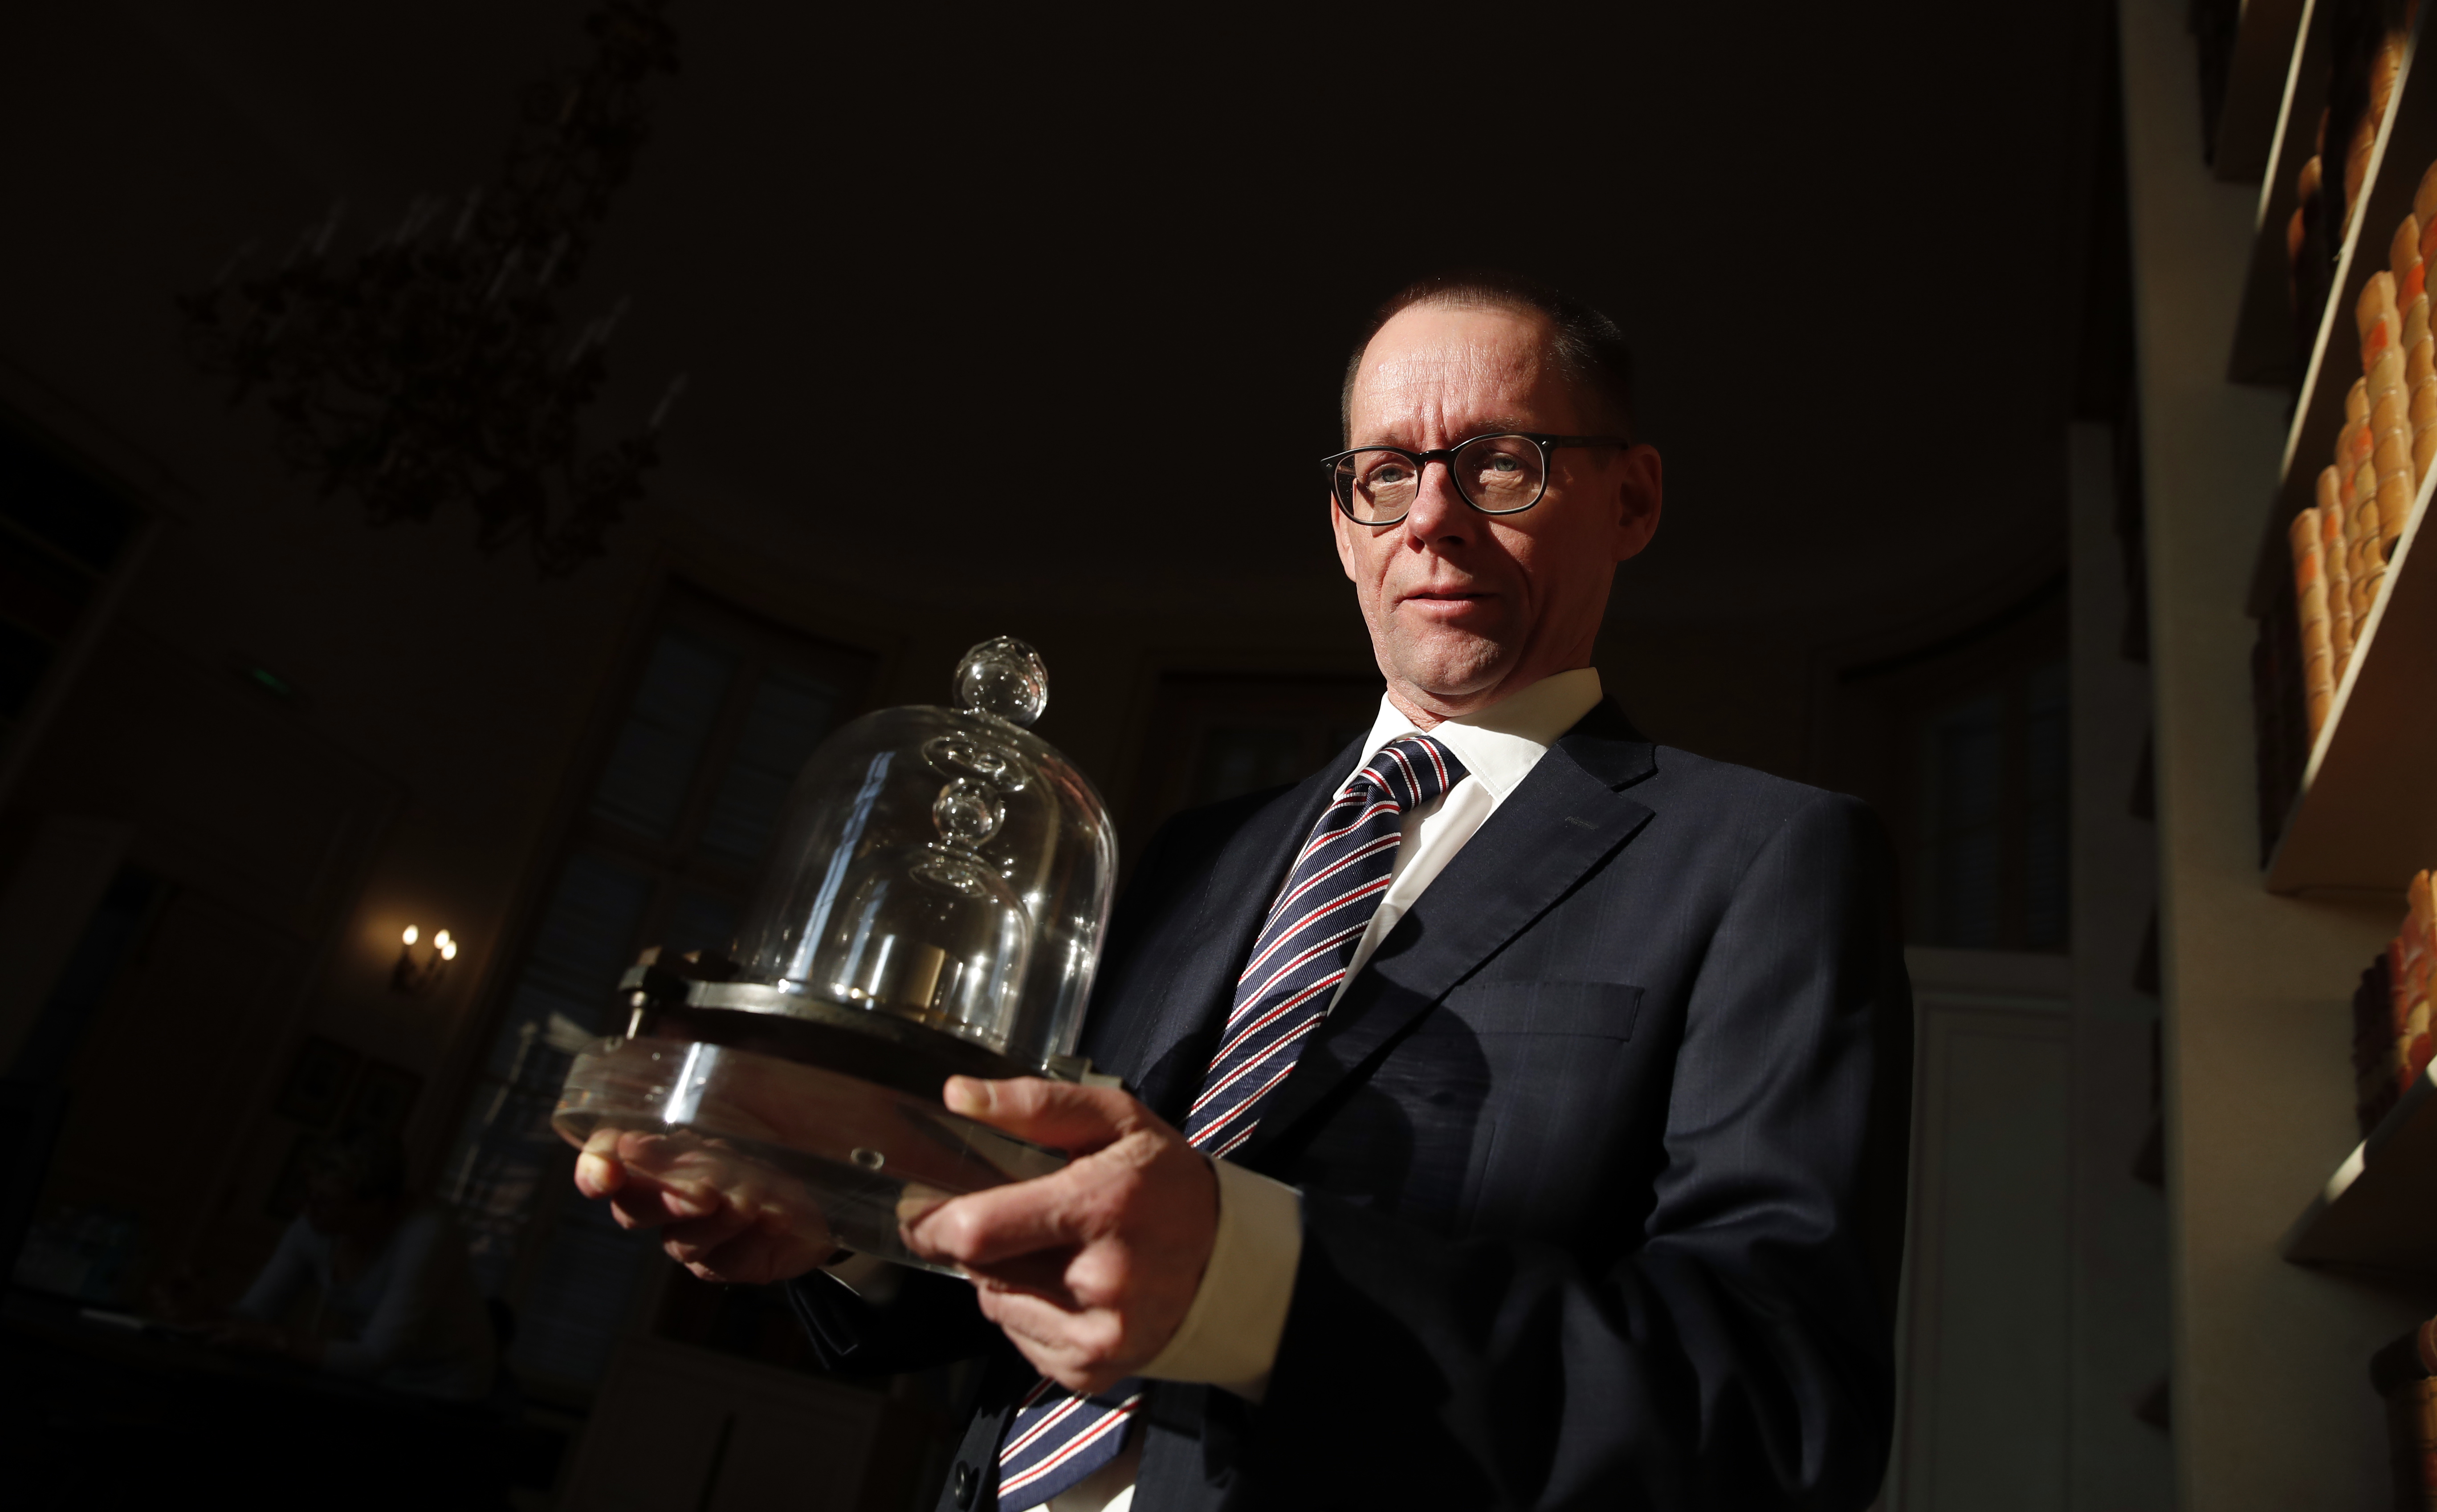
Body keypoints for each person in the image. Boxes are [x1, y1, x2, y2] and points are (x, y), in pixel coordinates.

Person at [577, 272, 1912, 1511]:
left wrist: (1252, 1283)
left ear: (1632, 499)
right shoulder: (1188, 858)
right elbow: (1018, 1251)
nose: (1432, 519)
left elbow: (1780, 1413)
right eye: (1385, 474)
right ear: (1343, 527)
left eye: (1501, 462)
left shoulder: (1766, 860)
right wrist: (838, 1219)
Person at [222, 1128, 498, 1405]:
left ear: (375, 1204)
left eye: (325, 1202)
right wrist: (211, 1316)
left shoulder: (426, 1234)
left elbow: (375, 1356)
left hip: (447, 1391)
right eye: (308, 1194)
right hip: (380, 1378)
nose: (307, 1211)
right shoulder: (314, 1227)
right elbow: (254, 1312)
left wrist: (277, 1341)